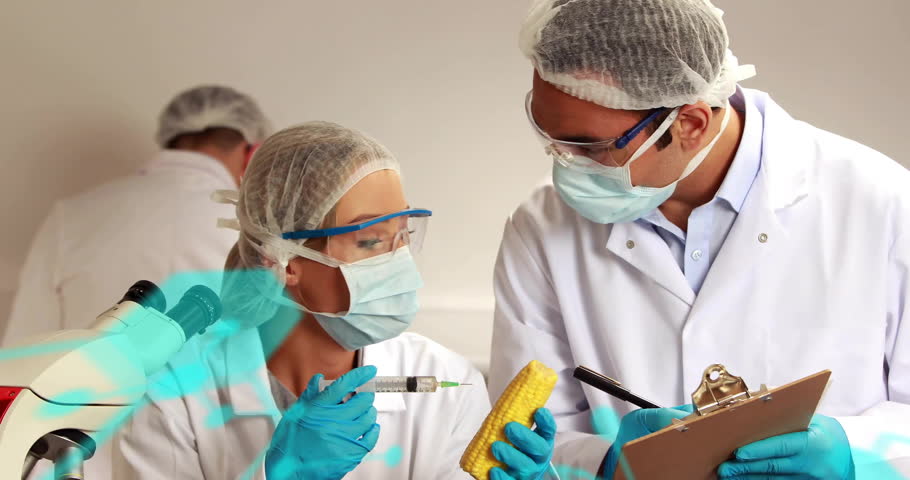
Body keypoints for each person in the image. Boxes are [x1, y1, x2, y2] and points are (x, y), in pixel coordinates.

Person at [489, 0, 910, 478]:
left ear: (689, 123)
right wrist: (604, 462)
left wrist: (858, 455)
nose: (563, 162)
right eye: (550, 136)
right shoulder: (540, 227)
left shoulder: (884, 202)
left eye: (588, 146)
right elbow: (529, 435)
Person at [116, 122, 553, 479]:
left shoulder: (446, 382)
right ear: (284, 260)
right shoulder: (176, 394)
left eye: (402, 237)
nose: (399, 264)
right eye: (369, 241)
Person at [4, 85, 271, 480]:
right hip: (209, 459)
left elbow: (18, 356)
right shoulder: (257, 231)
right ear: (251, 153)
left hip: (66, 461)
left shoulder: (72, 217)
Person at [3, 85, 271, 345]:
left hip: (84, 390)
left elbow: (24, 346)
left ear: (169, 141)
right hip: (222, 390)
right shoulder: (263, 227)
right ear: (251, 155)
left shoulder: (69, 216)